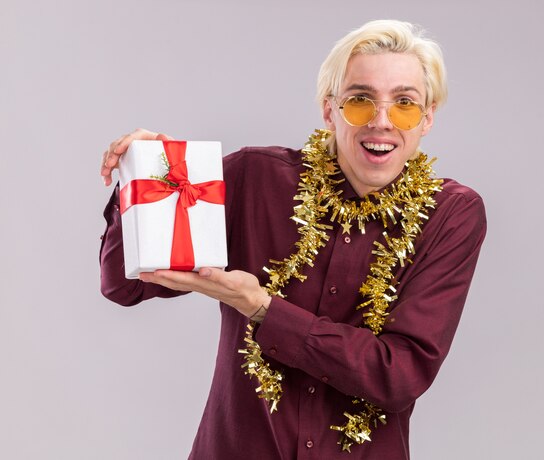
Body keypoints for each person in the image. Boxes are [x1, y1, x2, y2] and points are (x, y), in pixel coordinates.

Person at [99, 19, 486, 459]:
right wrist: (145, 181)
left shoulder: (452, 215)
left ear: (428, 117)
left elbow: (397, 376)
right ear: (329, 109)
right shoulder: (254, 177)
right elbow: (125, 285)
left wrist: (262, 309)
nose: (381, 121)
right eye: (360, 100)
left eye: (404, 104)